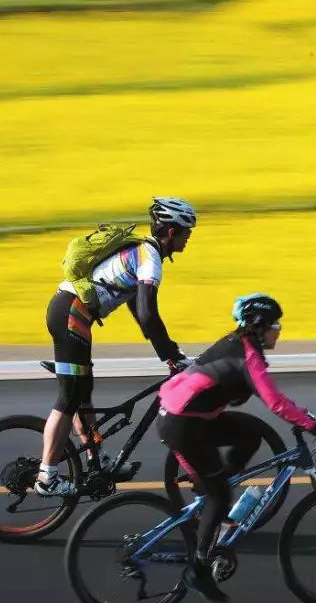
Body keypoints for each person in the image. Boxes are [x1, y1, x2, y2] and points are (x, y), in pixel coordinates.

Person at [156, 294, 316, 603]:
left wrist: (303, 415)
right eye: (276, 325)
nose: (278, 331)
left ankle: (215, 481)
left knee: (250, 433)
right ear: (260, 326)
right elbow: (275, 402)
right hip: (182, 425)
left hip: (191, 417)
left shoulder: (239, 344)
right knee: (218, 496)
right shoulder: (248, 357)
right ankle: (198, 569)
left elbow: (274, 399)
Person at [35, 197, 197, 497]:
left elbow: (138, 308)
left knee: (84, 395)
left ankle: (97, 462)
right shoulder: (150, 258)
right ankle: (47, 476)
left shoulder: (143, 252)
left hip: (70, 312)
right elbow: (149, 313)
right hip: (71, 313)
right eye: (187, 233)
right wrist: (171, 355)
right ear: (172, 232)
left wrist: (167, 352)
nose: (188, 239)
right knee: (70, 396)